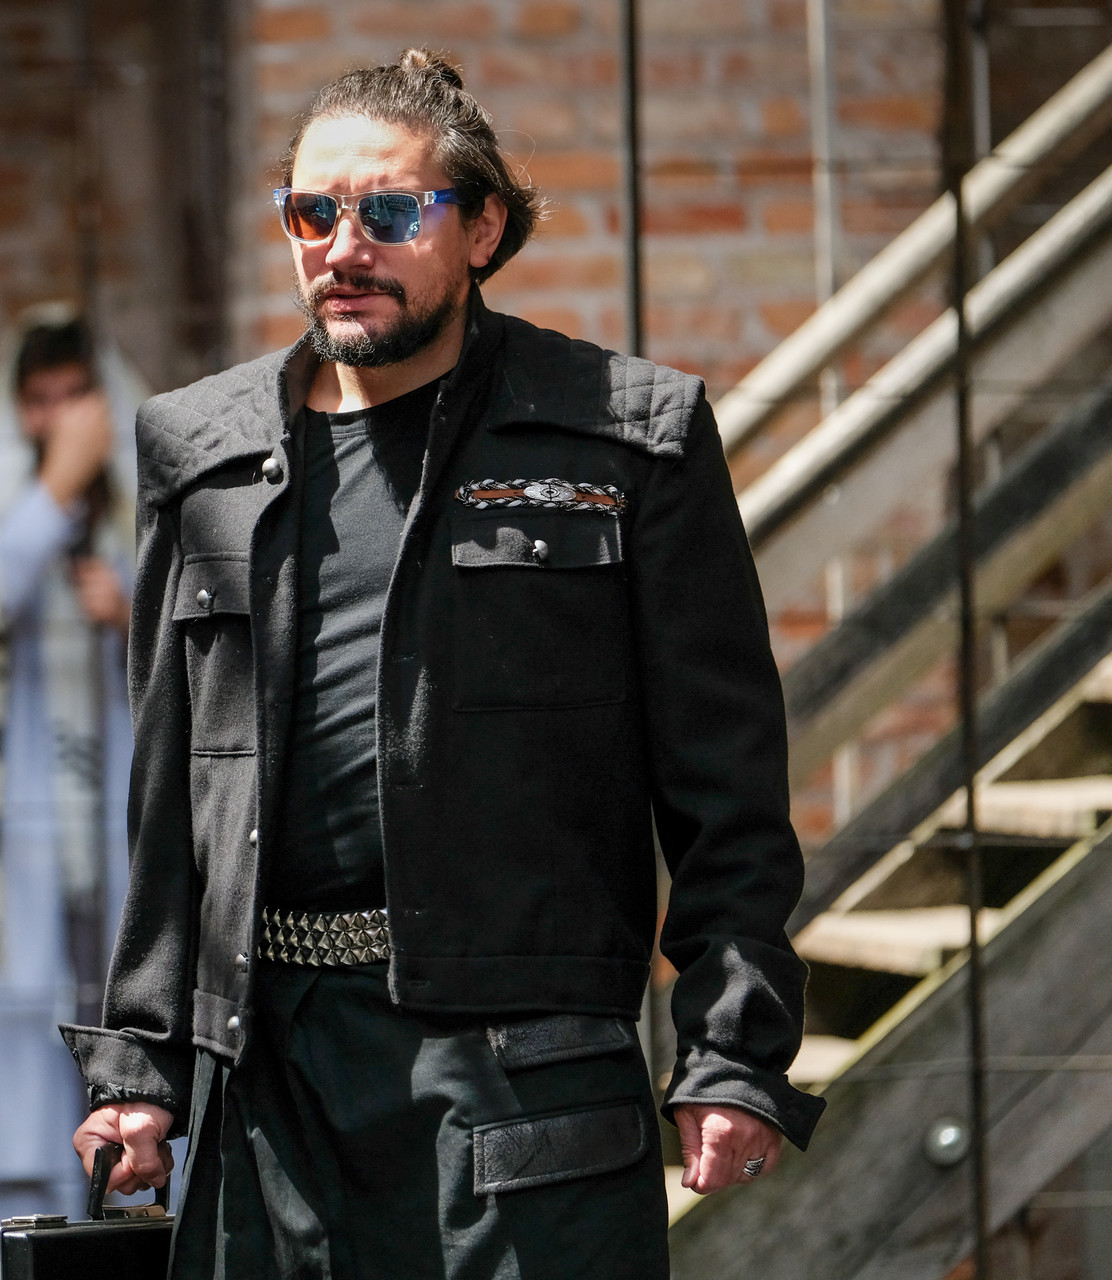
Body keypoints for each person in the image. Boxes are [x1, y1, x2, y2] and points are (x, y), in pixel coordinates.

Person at [64, 50, 825, 1279]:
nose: (343, 247)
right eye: (312, 213)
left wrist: (732, 1047)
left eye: (388, 211)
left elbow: (727, 789)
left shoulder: (627, 438)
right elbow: (167, 797)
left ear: (482, 228)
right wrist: (140, 1065)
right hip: (271, 1088)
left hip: (525, 1089)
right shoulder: (200, 454)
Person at [0, 304, 144, 1230]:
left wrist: (129, 613)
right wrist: (57, 483)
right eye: (40, 399)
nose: (59, 417)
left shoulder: (145, 501)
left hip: (121, 804)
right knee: (23, 1016)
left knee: (129, 1013)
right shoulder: (1, 499)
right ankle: (29, 1231)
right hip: (23, 814)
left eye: (75, 397)